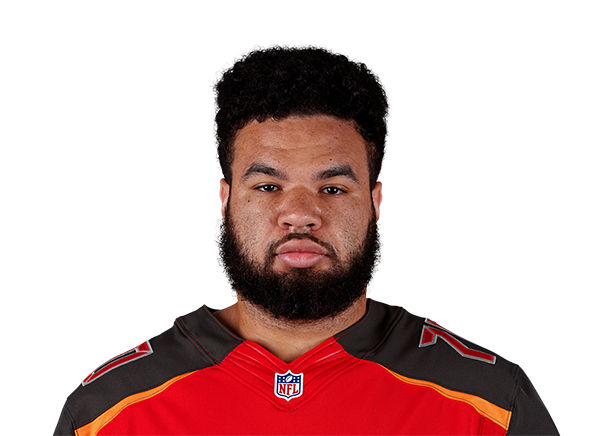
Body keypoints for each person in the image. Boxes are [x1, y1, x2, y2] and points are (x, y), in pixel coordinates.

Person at [54, 44, 559, 436]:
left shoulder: (490, 406)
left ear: (376, 202)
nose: (299, 214)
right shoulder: (108, 412)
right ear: (225, 200)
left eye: (332, 188)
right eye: (267, 186)